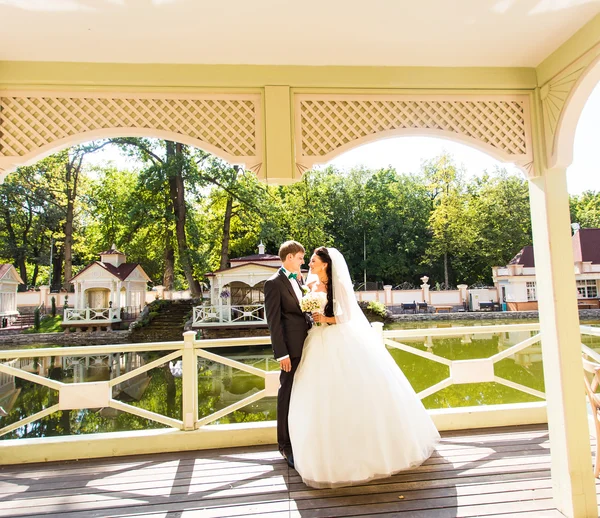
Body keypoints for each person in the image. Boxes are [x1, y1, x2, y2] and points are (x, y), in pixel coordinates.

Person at [288, 247, 440, 488]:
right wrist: (313, 313)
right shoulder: (311, 284)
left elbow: (346, 315)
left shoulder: (337, 285)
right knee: (320, 396)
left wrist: (325, 319)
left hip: (338, 339)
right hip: (316, 341)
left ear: (326, 264)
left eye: (314, 261)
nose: (311, 263)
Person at [264, 240, 312, 469]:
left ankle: (303, 437)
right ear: (290, 257)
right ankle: (285, 445)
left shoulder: (299, 281)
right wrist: (280, 353)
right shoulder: (273, 284)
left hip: (308, 344)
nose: (303, 262)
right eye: (301, 258)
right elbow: (274, 322)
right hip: (289, 350)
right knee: (286, 393)